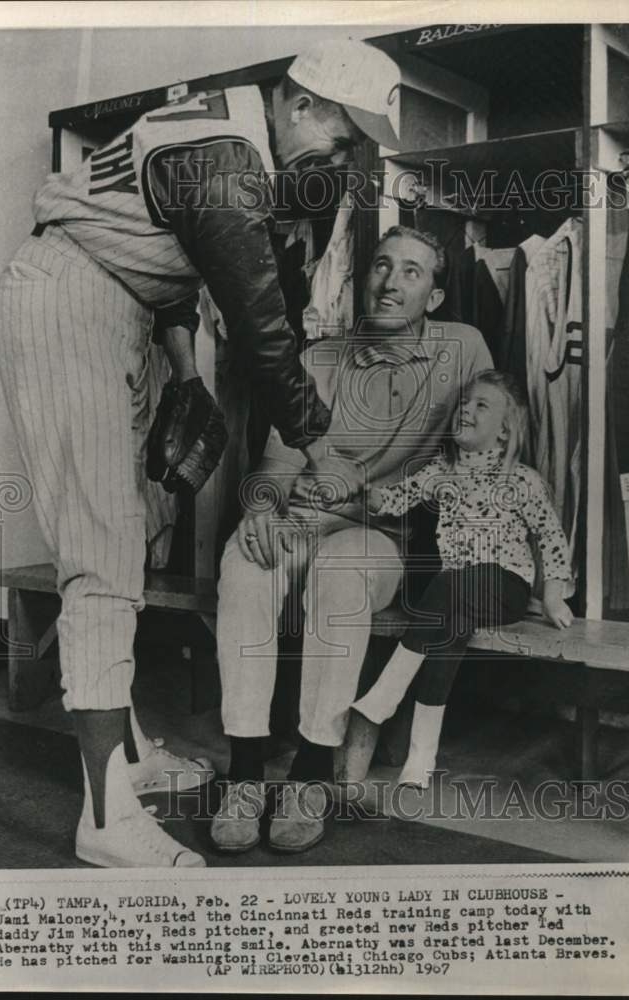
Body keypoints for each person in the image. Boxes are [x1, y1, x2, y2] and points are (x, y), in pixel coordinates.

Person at [0, 39, 402, 868]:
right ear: (299, 105)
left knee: (129, 537)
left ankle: (130, 763)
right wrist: (318, 446)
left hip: (114, 301)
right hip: (70, 299)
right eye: (343, 133)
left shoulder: (230, 130)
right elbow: (261, 330)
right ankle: (105, 821)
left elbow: (164, 261)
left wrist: (181, 371)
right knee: (102, 562)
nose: (344, 152)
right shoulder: (226, 161)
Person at [211, 226, 493, 854]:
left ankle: (311, 773)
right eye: (382, 266)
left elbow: (484, 448)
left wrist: (376, 497)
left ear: (436, 297)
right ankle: (247, 773)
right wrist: (260, 506)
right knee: (245, 562)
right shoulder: (318, 358)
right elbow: (277, 464)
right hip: (305, 515)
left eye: (412, 273)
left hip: (385, 529)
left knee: (340, 571)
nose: (391, 282)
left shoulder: (463, 349)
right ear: (362, 278)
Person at [350, 369, 574, 788]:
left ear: (504, 433)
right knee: (447, 632)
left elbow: (551, 536)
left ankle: (385, 694)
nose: (466, 410)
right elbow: (394, 500)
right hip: (455, 595)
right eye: (464, 403)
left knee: (451, 586)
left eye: (481, 406)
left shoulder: (521, 480)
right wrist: (363, 486)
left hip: (503, 586)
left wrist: (554, 596)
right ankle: (422, 756)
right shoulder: (439, 472)